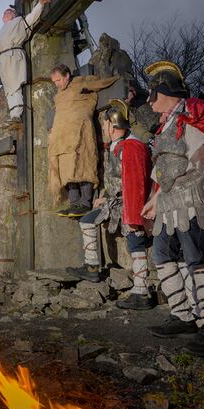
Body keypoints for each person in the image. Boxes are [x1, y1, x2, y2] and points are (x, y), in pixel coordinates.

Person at [141, 61, 204, 356]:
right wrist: (155, 199)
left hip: (193, 199)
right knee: (161, 255)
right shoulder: (165, 126)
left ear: (165, 91)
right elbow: (166, 170)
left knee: (199, 257)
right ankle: (183, 315)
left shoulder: (195, 113)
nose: (150, 100)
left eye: (153, 93)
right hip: (168, 203)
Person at [69, 100, 153, 310]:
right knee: (87, 220)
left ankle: (142, 292)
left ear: (113, 126)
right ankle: (92, 267)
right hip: (115, 201)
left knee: (135, 241)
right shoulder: (116, 146)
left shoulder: (132, 148)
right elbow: (116, 177)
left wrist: (135, 214)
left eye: (105, 125)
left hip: (131, 203)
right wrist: (105, 195)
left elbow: (135, 183)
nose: (104, 129)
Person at [49, 64, 118, 217]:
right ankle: (74, 203)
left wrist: (119, 79)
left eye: (59, 80)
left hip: (80, 132)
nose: (57, 84)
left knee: (83, 164)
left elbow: (101, 83)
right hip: (62, 138)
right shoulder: (59, 96)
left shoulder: (81, 84)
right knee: (66, 170)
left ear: (67, 76)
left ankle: (85, 203)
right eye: (54, 82)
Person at [0, 0, 46, 125]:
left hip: (13, 56)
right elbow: (4, 43)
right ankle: (13, 115)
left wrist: (40, 4)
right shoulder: (3, 29)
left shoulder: (19, 22)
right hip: (4, 59)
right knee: (9, 89)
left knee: (14, 86)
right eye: (5, 12)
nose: (6, 12)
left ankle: (17, 115)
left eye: (9, 11)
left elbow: (33, 17)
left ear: (14, 14)